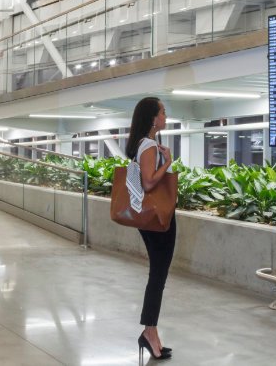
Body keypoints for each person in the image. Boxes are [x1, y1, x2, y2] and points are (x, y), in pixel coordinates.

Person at [126, 96, 175, 361]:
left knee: (158, 275)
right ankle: (149, 333)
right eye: (163, 112)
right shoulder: (149, 146)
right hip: (157, 220)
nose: (166, 117)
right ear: (153, 118)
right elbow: (148, 183)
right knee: (158, 276)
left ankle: (151, 332)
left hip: (152, 219)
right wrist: (167, 163)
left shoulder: (145, 144)